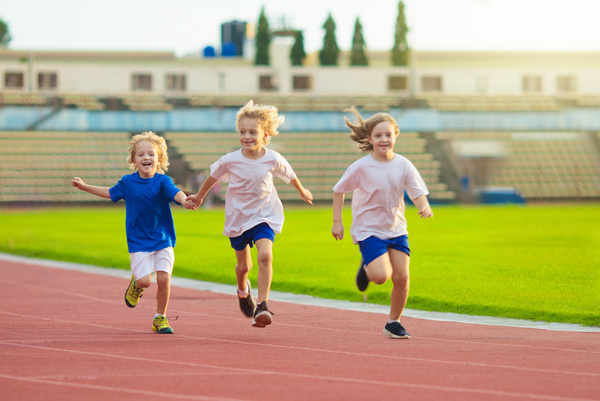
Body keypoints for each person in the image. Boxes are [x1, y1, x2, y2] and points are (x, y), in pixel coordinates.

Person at [185, 100, 313, 328]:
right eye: (243, 131)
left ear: (266, 134)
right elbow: (212, 177)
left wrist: (303, 192)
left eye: (253, 132)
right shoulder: (230, 160)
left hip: (264, 215)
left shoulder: (272, 158)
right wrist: (199, 196)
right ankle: (243, 290)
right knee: (244, 267)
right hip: (238, 218)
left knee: (266, 256)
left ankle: (262, 306)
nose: (247, 136)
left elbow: (290, 174)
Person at [331, 108, 433, 339]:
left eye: (388, 135)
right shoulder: (361, 167)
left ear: (395, 135)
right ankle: (367, 268)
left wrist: (423, 206)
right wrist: (338, 222)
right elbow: (339, 191)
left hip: (396, 229)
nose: (384, 139)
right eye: (378, 136)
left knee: (402, 278)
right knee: (380, 276)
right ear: (370, 139)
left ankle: (393, 322)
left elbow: (416, 191)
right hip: (369, 230)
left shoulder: (404, 164)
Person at [72, 131, 187, 334]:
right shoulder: (127, 182)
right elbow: (110, 193)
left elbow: (176, 193)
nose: (146, 158)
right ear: (134, 160)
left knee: (164, 279)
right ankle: (136, 284)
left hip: (163, 238)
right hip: (139, 241)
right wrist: (84, 187)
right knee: (146, 281)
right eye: (141, 154)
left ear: (159, 158)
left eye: (151, 154)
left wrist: (186, 200)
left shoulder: (163, 181)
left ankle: (160, 318)